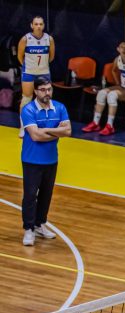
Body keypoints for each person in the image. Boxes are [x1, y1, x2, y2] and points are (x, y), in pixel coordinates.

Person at [20, 76, 70, 247]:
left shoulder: (60, 108)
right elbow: (35, 135)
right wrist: (57, 132)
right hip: (31, 159)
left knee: (46, 195)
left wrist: (46, 130)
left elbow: (68, 131)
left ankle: (40, 224)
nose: (47, 93)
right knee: (30, 195)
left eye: (49, 89)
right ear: (35, 91)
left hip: (51, 160)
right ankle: (28, 228)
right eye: (43, 90)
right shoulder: (27, 110)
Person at [17, 16, 54, 138]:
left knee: (45, 99)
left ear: (44, 25)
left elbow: (51, 57)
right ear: (31, 25)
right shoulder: (25, 39)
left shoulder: (49, 39)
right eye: (36, 24)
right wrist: (28, 67)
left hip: (43, 73)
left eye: (41, 24)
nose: (39, 26)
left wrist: (42, 66)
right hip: (29, 72)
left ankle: (44, 126)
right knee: (26, 98)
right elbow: (19, 56)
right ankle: (23, 126)